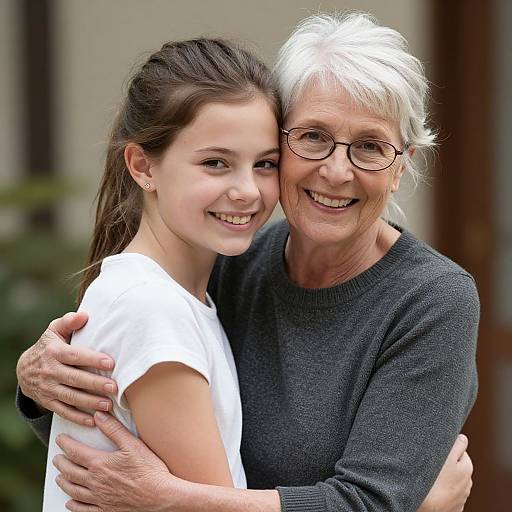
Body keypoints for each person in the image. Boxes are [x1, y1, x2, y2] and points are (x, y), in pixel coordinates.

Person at [16, 12, 478, 512]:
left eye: (370, 147)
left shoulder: (432, 301)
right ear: (283, 140)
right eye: (314, 136)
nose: (337, 171)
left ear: (401, 166)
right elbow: (115, 454)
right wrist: (43, 387)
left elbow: (371, 502)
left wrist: (170, 498)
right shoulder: (231, 256)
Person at [38, 38, 283, 510]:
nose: (247, 191)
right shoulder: (150, 306)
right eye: (216, 163)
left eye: (265, 164)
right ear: (143, 165)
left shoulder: (171, 296)